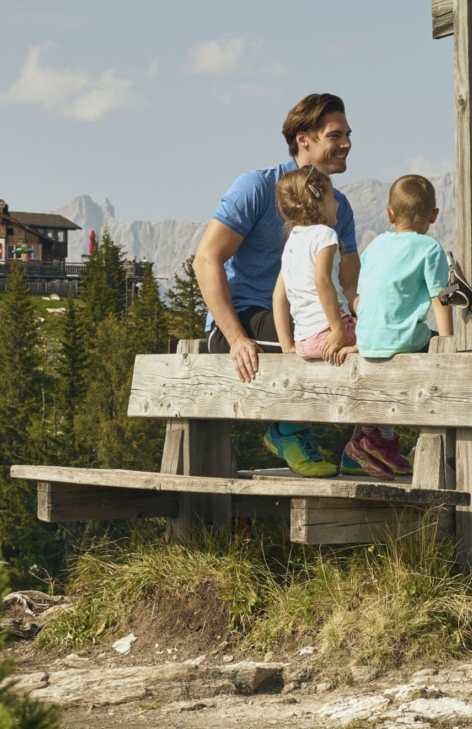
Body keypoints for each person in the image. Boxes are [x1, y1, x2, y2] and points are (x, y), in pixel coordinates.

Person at [191, 92, 406, 477]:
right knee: (323, 336)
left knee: (380, 333)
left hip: (309, 319)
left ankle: (363, 443)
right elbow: (206, 260)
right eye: (335, 135)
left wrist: (380, 321)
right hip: (244, 321)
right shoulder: (256, 188)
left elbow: (350, 286)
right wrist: (236, 338)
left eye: (348, 134)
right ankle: (287, 430)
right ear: (303, 139)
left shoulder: (338, 206)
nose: (347, 144)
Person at [353, 174, 457, 358]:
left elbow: (359, 300)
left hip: (366, 344)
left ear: (389, 214)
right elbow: (440, 299)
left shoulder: (373, 246)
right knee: (439, 340)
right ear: (434, 215)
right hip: (405, 343)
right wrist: (448, 346)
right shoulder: (430, 248)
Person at [272, 166, 355, 365]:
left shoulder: (292, 242)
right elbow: (322, 280)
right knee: (381, 333)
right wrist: (337, 329)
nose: (337, 204)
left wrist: (287, 345)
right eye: (332, 197)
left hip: (304, 341)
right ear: (317, 203)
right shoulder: (325, 235)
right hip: (329, 333)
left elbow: (278, 296)